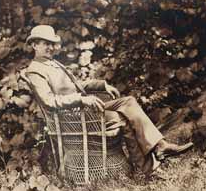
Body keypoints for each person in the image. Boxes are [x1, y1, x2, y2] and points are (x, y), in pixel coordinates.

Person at [25, 25, 193, 175]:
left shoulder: (53, 64)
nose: (50, 47)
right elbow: (49, 101)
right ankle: (146, 169)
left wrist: (101, 85)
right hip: (72, 118)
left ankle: (160, 145)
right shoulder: (35, 70)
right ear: (34, 45)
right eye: (45, 43)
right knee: (121, 118)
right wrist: (81, 100)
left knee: (128, 102)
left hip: (84, 111)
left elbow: (76, 84)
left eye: (51, 43)